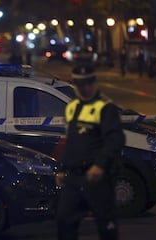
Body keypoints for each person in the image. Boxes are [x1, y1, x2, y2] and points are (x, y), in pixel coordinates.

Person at [56, 65, 126, 240]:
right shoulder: (72, 107)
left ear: (94, 83)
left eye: (88, 84)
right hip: (73, 177)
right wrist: (62, 167)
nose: (84, 88)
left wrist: (100, 165)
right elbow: (71, 140)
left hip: (97, 178)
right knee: (64, 222)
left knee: (106, 226)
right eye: (79, 84)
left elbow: (114, 140)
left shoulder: (105, 108)